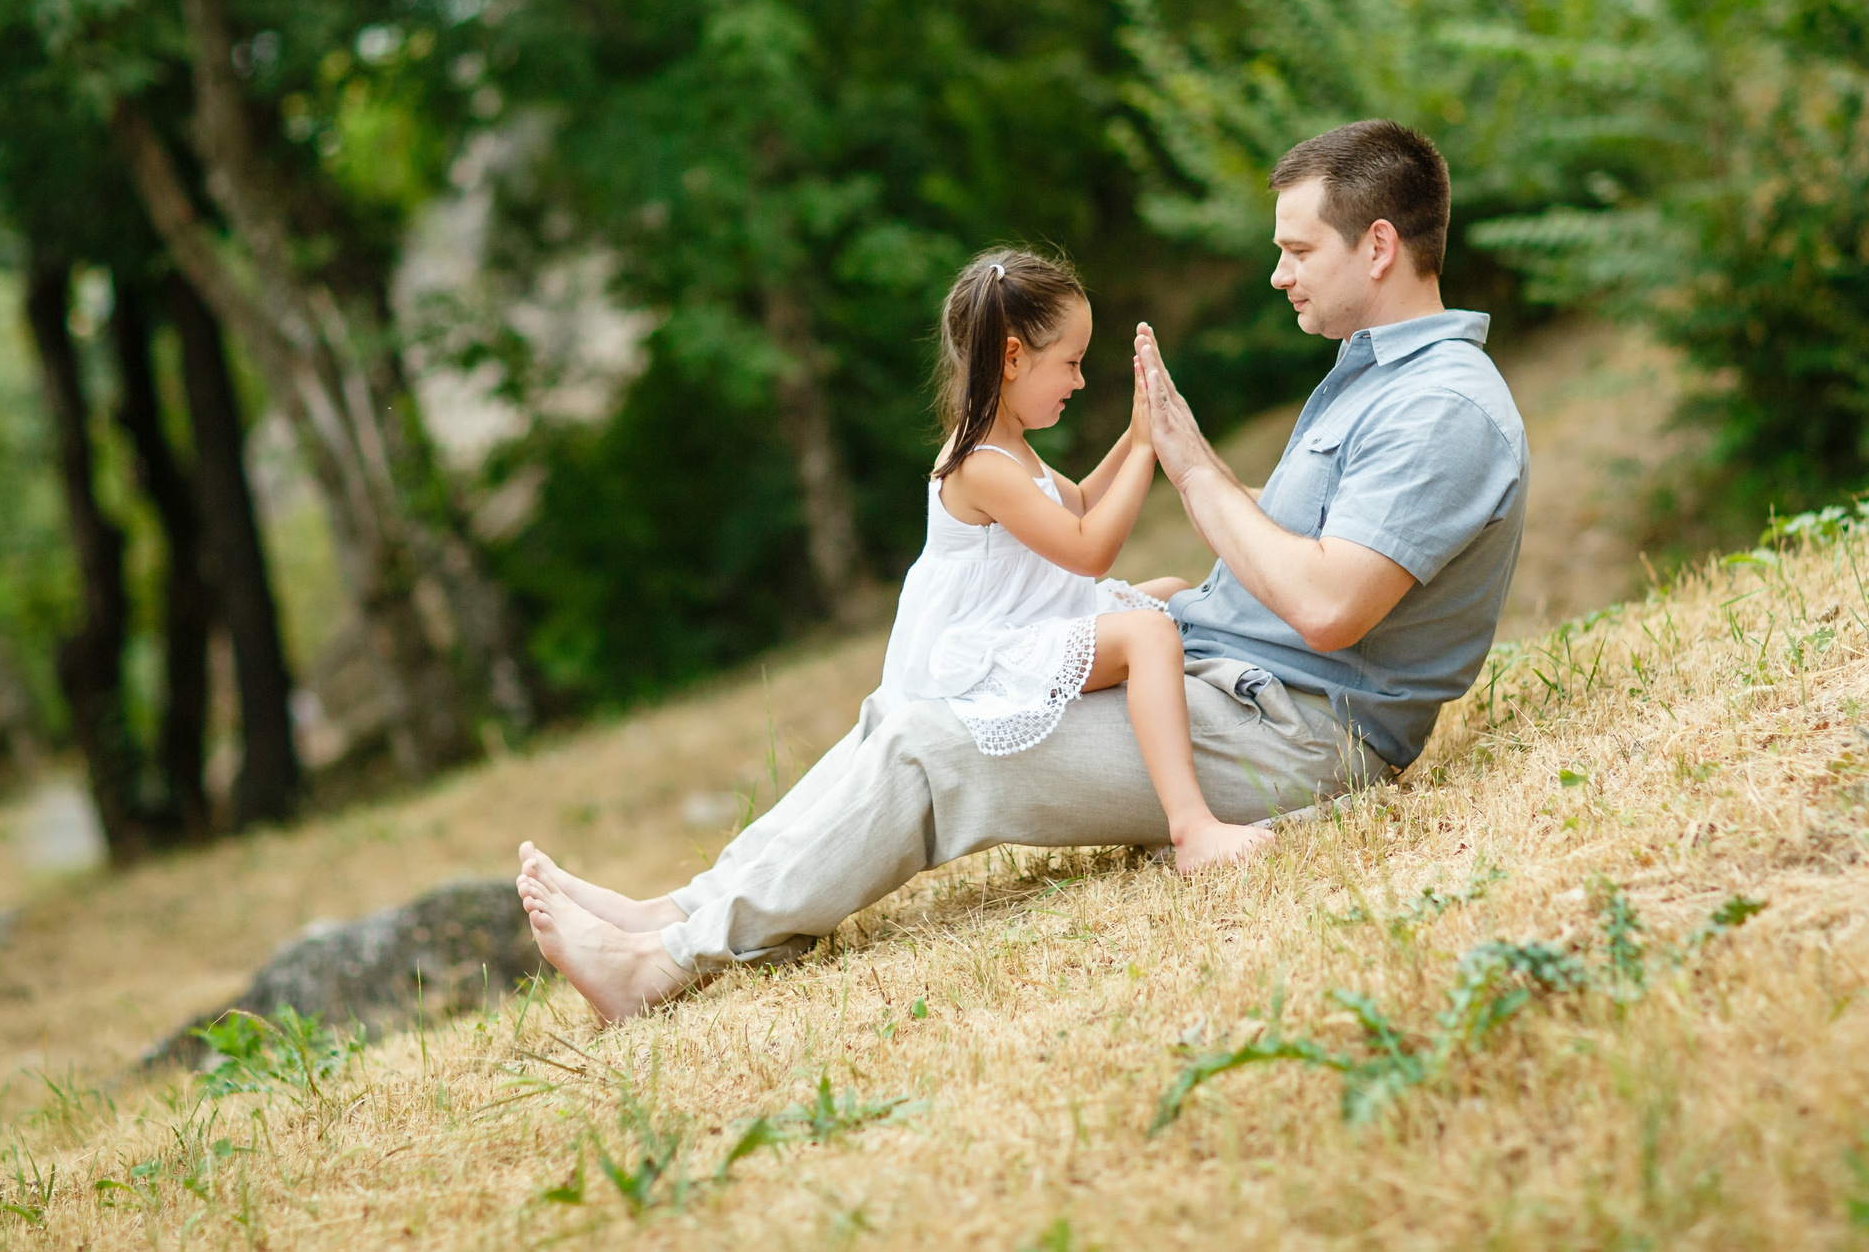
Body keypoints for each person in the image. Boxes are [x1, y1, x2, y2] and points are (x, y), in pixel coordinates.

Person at [517, 119, 1527, 1024]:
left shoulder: (1437, 408)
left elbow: (1326, 605)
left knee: (932, 752)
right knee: (905, 718)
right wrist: (1183, 543)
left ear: (1380, 246)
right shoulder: (1369, 381)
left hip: (1298, 733)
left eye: (1298, 249)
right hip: (1234, 683)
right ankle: (679, 910)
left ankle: (663, 967)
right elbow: (1286, 561)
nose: (1278, 274)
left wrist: (1185, 461)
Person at [878, 247, 1277, 874]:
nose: (1080, 380)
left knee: (1171, 590)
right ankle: (1191, 826)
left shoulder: (1010, 447)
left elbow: (1083, 500)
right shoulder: (980, 463)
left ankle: (1236, 706)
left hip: (1031, 620)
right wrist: (1145, 451)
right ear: (1013, 358)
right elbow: (1090, 550)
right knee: (1147, 633)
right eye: (1071, 362)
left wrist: (1139, 426)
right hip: (989, 649)